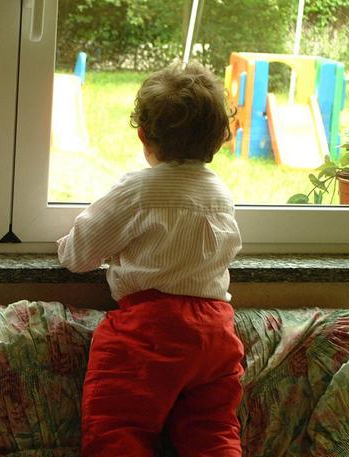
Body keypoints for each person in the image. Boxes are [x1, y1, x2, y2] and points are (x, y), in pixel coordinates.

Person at [57, 61, 244, 456]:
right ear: (217, 139)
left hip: (152, 330)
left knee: (118, 428)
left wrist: (65, 245)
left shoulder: (140, 189)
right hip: (216, 333)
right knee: (214, 432)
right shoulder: (221, 194)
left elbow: (80, 254)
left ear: (143, 135)